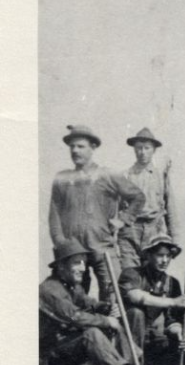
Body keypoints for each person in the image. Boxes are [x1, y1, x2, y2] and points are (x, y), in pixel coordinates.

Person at [48, 125, 146, 309]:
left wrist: (122, 219)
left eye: (81, 146)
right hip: (72, 251)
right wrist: (61, 242)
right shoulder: (62, 178)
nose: (75, 150)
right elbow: (54, 216)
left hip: (101, 248)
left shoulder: (107, 174)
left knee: (113, 298)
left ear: (93, 147)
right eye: (72, 146)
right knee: (74, 300)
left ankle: (112, 336)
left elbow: (138, 197)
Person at [39, 238, 127, 365]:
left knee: (111, 326)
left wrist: (107, 308)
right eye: (77, 263)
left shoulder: (72, 286)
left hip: (65, 351)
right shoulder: (50, 290)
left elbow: (89, 303)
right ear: (61, 266)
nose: (83, 268)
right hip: (50, 359)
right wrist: (107, 320)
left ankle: (130, 363)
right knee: (91, 333)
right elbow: (76, 316)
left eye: (84, 263)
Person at [118, 234, 185, 365]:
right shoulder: (132, 274)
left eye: (168, 256)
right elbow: (136, 296)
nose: (165, 260)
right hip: (131, 341)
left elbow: (171, 320)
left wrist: (181, 334)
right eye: (160, 255)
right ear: (149, 255)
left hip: (156, 342)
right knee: (136, 313)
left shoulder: (172, 283)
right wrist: (173, 302)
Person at [117, 127, 175, 269]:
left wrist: (174, 238)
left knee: (152, 273)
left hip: (154, 230)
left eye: (147, 148)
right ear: (134, 150)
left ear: (154, 150)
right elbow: (116, 208)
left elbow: (170, 207)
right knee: (129, 272)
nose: (142, 152)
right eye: (139, 148)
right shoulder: (125, 175)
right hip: (131, 231)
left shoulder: (160, 175)